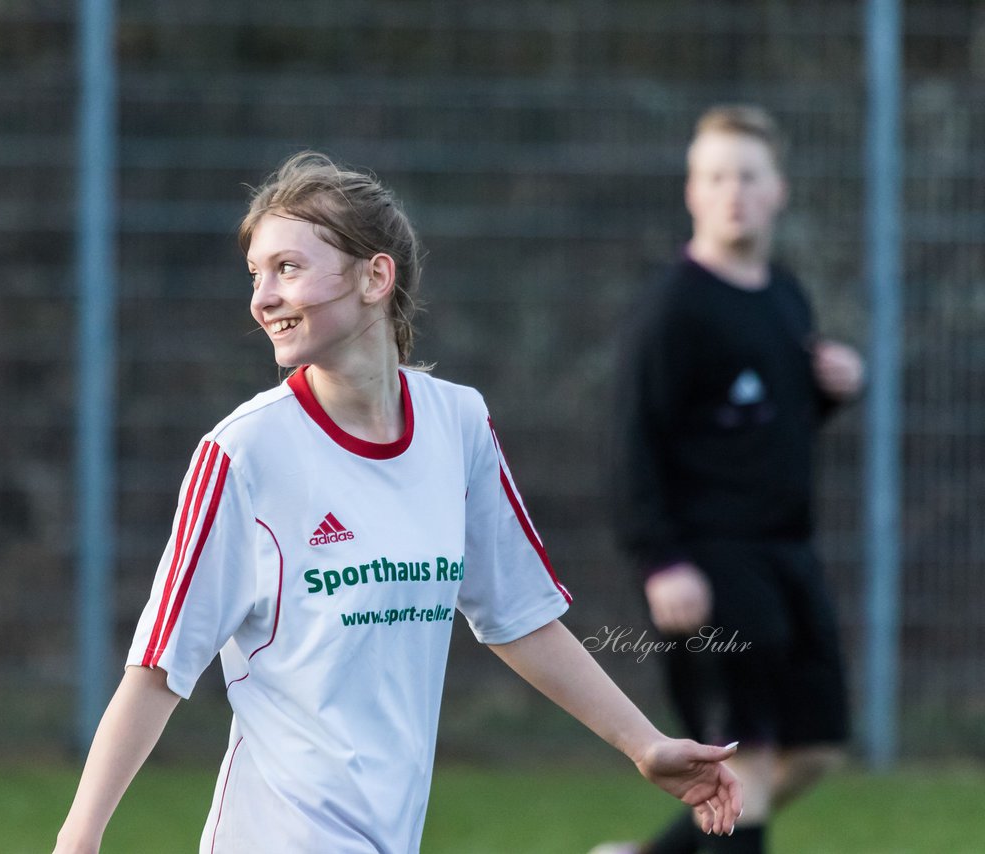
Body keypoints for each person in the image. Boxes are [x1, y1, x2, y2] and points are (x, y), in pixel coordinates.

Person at [54, 151, 742, 854]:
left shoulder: (459, 425)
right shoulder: (243, 453)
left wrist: (644, 745)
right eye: (255, 274)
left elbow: (519, 615)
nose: (262, 296)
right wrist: (79, 840)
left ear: (375, 277)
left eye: (287, 268)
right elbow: (159, 668)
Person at [602, 106, 865, 854]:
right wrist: (661, 560)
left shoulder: (785, 294)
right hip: (709, 562)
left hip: (789, 556)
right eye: (715, 176)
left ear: (778, 189)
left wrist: (832, 388)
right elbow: (631, 448)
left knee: (814, 747)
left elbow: (764, 423)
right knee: (738, 759)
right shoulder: (672, 308)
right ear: (692, 190)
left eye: (748, 175)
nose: (733, 192)